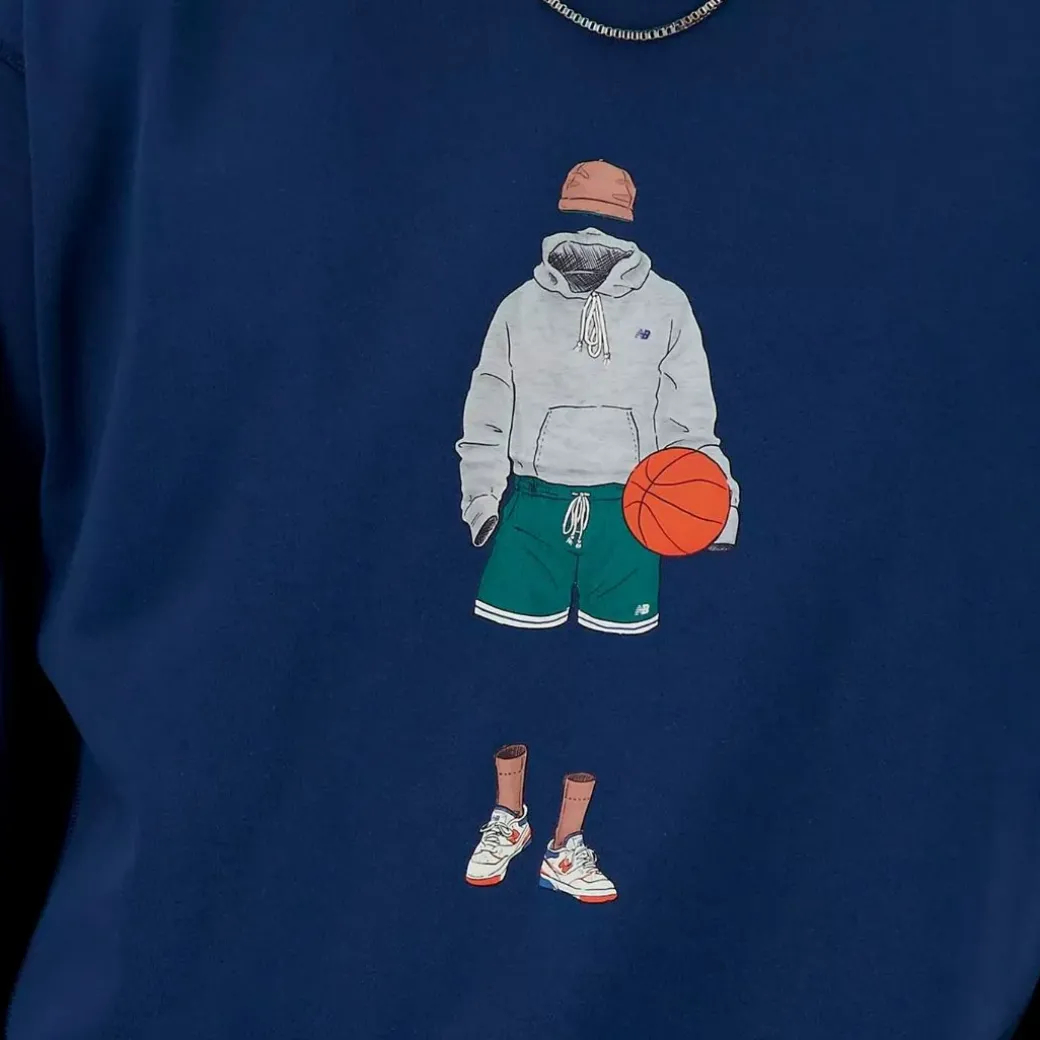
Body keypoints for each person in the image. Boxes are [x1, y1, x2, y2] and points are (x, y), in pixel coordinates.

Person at [2, 2, 1040, 1038]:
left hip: (632, 506)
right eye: (578, 223)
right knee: (511, 664)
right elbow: (485, 409)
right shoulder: (103, 43)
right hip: (532, 501)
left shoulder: (676, 301)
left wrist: (712, 511)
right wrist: (481, 499)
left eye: (606, 226)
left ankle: (566, 837)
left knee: (622, 676)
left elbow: (693, 416)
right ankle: (508, 815)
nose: (591, 242)